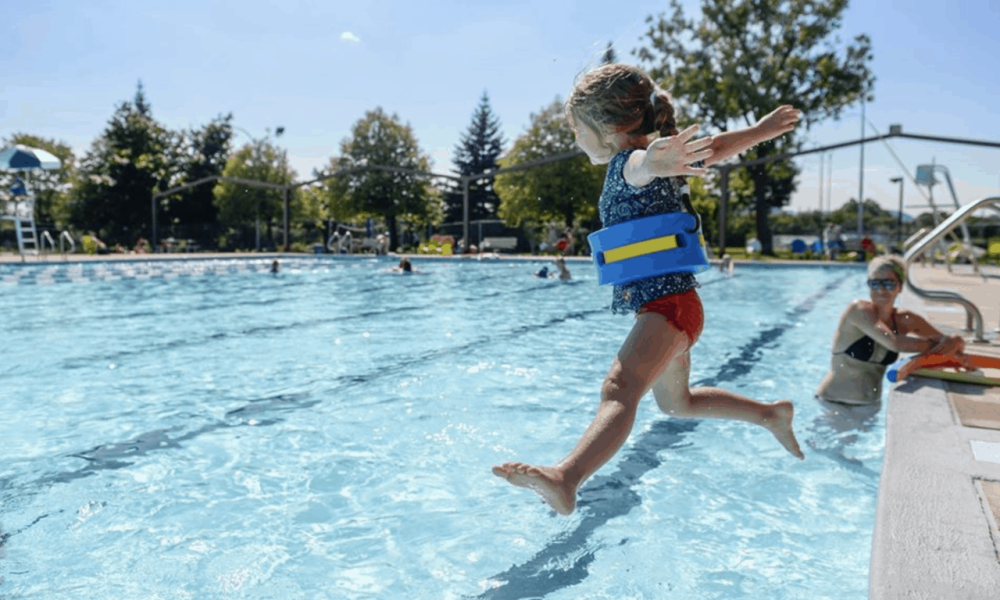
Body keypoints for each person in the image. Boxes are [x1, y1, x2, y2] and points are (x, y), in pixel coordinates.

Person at [492, 63, 804, 516]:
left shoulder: (630, 164)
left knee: (620, 388)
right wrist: (758, 130)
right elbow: (711, 148)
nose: (576, 140)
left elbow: (643, 163)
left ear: (609, 129)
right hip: (673, 307)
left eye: (577, 130)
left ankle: (567, 476)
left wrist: (656, 159)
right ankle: (770, 414)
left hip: (668, 306)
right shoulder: (666, 164)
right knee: (678, 403)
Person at [816, 255, 967, 405]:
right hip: (831, 404)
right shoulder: (858, 310)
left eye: (889, 284)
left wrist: (954, 344)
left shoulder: (905, 319)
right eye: (875, 283)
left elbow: (947, 341)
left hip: (871, 405)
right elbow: (894, 343)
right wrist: (940, 346)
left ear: (900, 287)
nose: (881, 289)